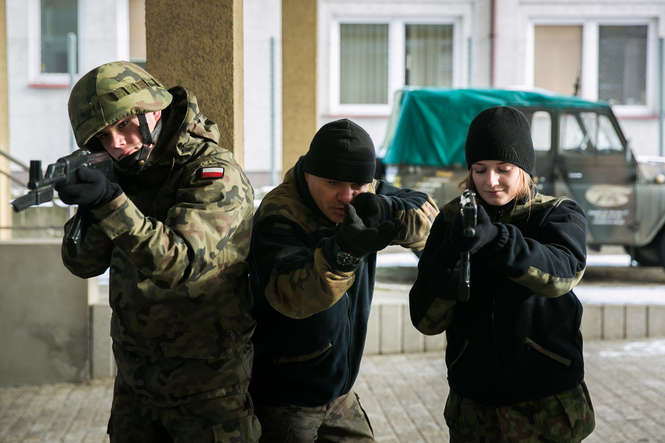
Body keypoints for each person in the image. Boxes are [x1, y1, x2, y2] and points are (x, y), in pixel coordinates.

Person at [56, 61, 260, 442]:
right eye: (103, 138)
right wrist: (90, 207)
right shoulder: (124, 172)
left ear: (154, 111)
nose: (117, 143)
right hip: (136, 385)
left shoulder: (213, 172)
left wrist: (109, 202)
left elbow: (180, 262)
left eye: (124, 125)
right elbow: (81, 262)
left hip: (207, 387)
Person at [409, 106, 595, 442]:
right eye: (480, 170)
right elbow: (426, 319)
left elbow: (562, 274)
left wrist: (499, 240)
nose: (490, 181)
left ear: (524, 169)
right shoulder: (452, 220)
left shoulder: (557, 215)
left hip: (546, 405)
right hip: (474, 407)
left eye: (503, 169)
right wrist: (451, 260)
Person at [249, 118, 438, 442]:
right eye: (333, 183)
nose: (347, 197)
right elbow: (292, 297)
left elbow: (430, 217)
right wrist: (343, 253)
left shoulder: (365, 194)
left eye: (357, 186)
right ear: (309, 174)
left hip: (339, 391)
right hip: (285, 398)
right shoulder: (280, 214)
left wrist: (386, 209)